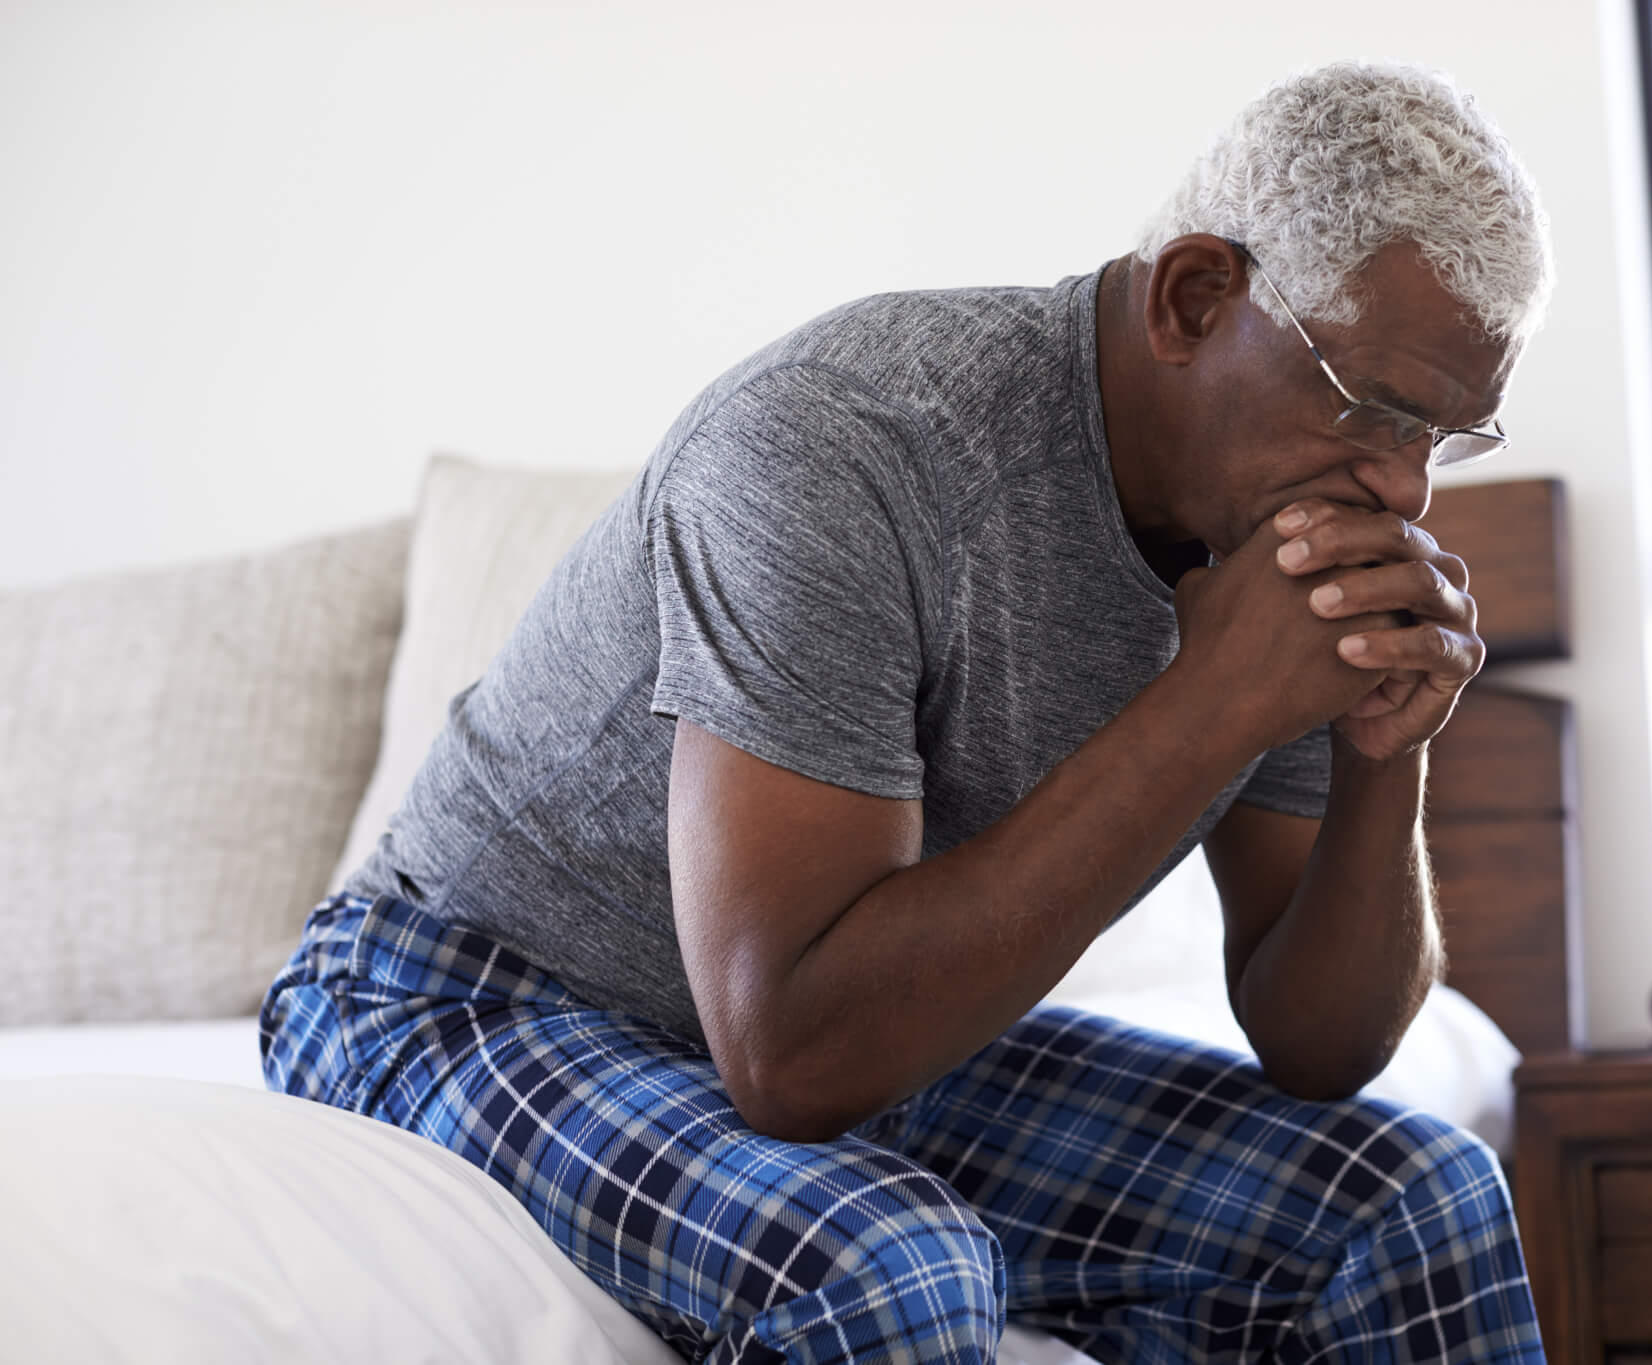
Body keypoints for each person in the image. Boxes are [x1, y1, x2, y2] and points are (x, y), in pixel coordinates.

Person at [262, 59, 1553, 1364]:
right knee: (892, 1271)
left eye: (1446, 438)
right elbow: (792, 1056)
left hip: (877, 1029)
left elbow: (1319, 1047)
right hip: (466, 988)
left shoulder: (1275, 536)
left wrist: (1387, 751)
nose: (1404, 490)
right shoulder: (842, 445)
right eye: (1375, 412)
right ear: (1196, 298)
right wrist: (1212, 701)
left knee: (1410, 1201)